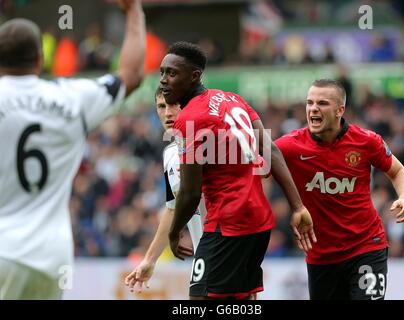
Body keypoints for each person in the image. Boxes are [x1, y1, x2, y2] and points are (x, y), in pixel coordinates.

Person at [0, 0, 145, 299]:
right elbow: (131, 74)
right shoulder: (71, 99)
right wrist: (133, 11)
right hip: (50, 258)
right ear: (40, 59)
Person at [160, 41, 316, 300]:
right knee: (242, 298)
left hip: (228, 224)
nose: (164, 80)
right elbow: (271, 151)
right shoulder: (231, 98)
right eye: (162, 72)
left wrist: (174, 232)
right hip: (258, 220)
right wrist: (297, 206)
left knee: (199, 299)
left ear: (195, 76)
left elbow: (189, 193)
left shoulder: (190, 119)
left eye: (172, 73)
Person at [274, 79, 404, 300]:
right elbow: (253, 168)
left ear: (340, 110)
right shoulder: (288, 146)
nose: (313, 109)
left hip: (366, 246)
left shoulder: (366, 141)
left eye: (322, 103)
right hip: (321, 256)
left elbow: (397, 172)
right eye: (309, 103)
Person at [124, 86, 206, 292]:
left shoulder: (212, 145)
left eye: (173, 104)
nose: (167, 112)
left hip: (230, 248)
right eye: (161, 106)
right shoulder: (170, 154)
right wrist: (150, 260)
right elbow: (172, 209)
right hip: (204, 256)